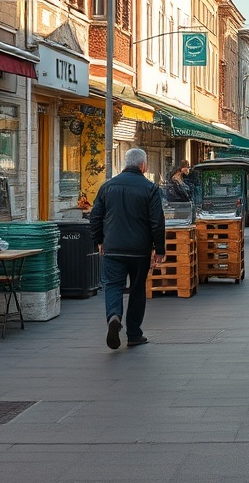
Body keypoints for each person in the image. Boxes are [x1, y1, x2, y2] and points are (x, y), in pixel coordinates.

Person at [89, 148, 166, 350]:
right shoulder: (150, 188)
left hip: (112, 248)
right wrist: (159, 249)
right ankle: (134, 334)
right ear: (143, 165)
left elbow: (95, 217)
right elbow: (157, 222)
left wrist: (99, 240)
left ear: (126, 163)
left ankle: (114, 315)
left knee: (113, 285)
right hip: (139, 250)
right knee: (137, 288)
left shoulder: (107, 187)